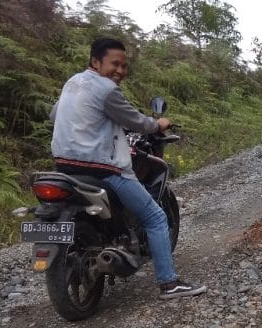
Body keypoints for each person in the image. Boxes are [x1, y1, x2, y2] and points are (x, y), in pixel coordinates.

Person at [50, 38, 207, 300]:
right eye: (115, 64)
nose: (120, 70)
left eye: (124, 65)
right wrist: (159, 124)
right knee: (156, 218)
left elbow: (56, 116)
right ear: (96, 62)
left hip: (65, 167)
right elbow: (136, 121)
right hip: (102, 168)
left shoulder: (73, 83)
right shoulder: (107, 90)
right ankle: (169, 284)